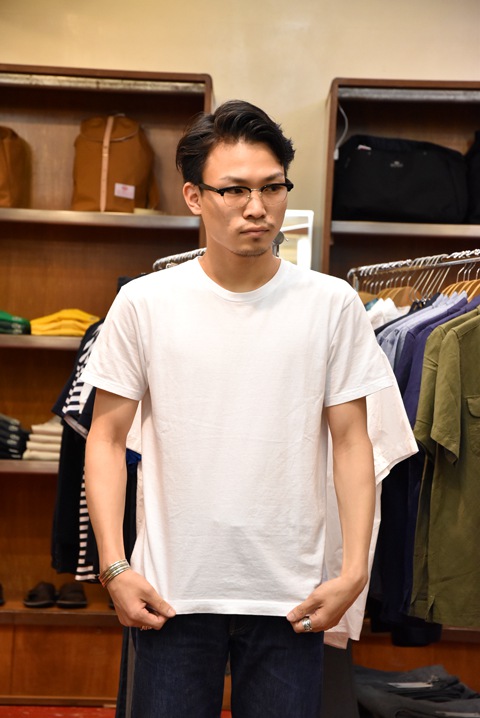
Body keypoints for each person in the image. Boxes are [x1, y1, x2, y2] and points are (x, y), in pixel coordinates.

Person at [83, 100, 393, 718]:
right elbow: (107, 438)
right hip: (171, 593)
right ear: (194, 197)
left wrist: (354, 570)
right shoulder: (144, 302)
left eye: (272, 187)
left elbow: (353, 441)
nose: (257, 207)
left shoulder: (331, 304)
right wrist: (114, 567)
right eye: (235, 190)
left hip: (291, 598)